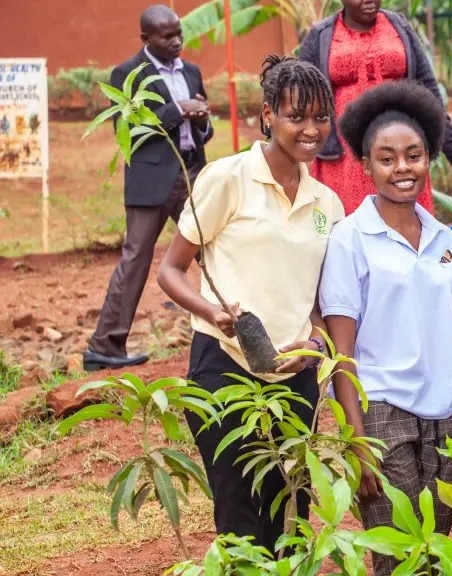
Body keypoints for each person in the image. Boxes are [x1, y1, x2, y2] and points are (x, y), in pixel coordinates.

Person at [156, 55, 344, 550]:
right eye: (296, 115)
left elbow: (325, 298)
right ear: (267, 115)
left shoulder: (328, 203)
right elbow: (171, 271)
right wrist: (213, 313)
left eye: (321, 116)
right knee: (239, 511)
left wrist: (317, 343)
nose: (311, 128)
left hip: (295, 375)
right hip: (227, 368)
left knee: (291, 511)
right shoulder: (226, 178)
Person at [318, 79, 452, 576]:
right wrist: (356, 442)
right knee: (396, 556)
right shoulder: (349, 240)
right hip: (385, 413)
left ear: (429, 158)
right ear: (365, 165)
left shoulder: (446, 238)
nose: (402, 168)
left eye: (414, 155)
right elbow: (341, 353)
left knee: (436, 548)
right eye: (387, 158)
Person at [85, 4, 213, 371]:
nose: (177, 42)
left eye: (179, 34)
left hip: (192, 174)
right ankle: (105, 345)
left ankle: (229, 330)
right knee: (136, 258)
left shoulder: (191, 71)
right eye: (167, 36)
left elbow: (202, 129)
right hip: (151, 179)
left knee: (215, 249)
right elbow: (131, 135)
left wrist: (201, 119)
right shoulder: (127, 74)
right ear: (146, 38)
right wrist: (180, 110)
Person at [298, 0, 452, 213]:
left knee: (404, 217)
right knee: (351, 227)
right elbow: (302, 97)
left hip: (401, 146)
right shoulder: (321, 35)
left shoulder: (399, 27)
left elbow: (427, 89)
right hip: (345, 158)